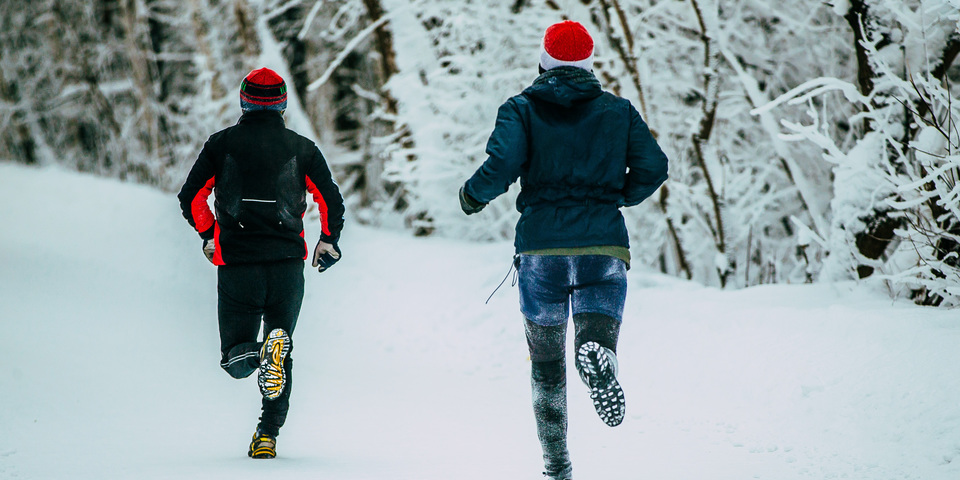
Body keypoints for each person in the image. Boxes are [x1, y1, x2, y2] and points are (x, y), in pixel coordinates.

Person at [459, 20, 668, 480]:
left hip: (541, 251)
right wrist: (616, 198)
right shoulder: (618, 110)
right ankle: (599, 352)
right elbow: (655, 166)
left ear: (544, 61)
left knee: (547, 365)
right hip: (603, 245)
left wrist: (472, 195)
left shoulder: (521, 109)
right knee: (596, 325)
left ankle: (557, 467)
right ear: (589, 64)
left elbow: (503, 164)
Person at [177, 67, 345, 459]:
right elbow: (331, 201)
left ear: (243, 100)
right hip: (287, 266)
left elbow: (191, 197)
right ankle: (267, 434)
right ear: (283, 103)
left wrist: (208, 235)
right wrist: (328, 242)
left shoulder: (220, 145)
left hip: (237, 266)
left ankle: (256, 351)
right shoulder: (302, 148)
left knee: (235, 360)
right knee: (281, 356)